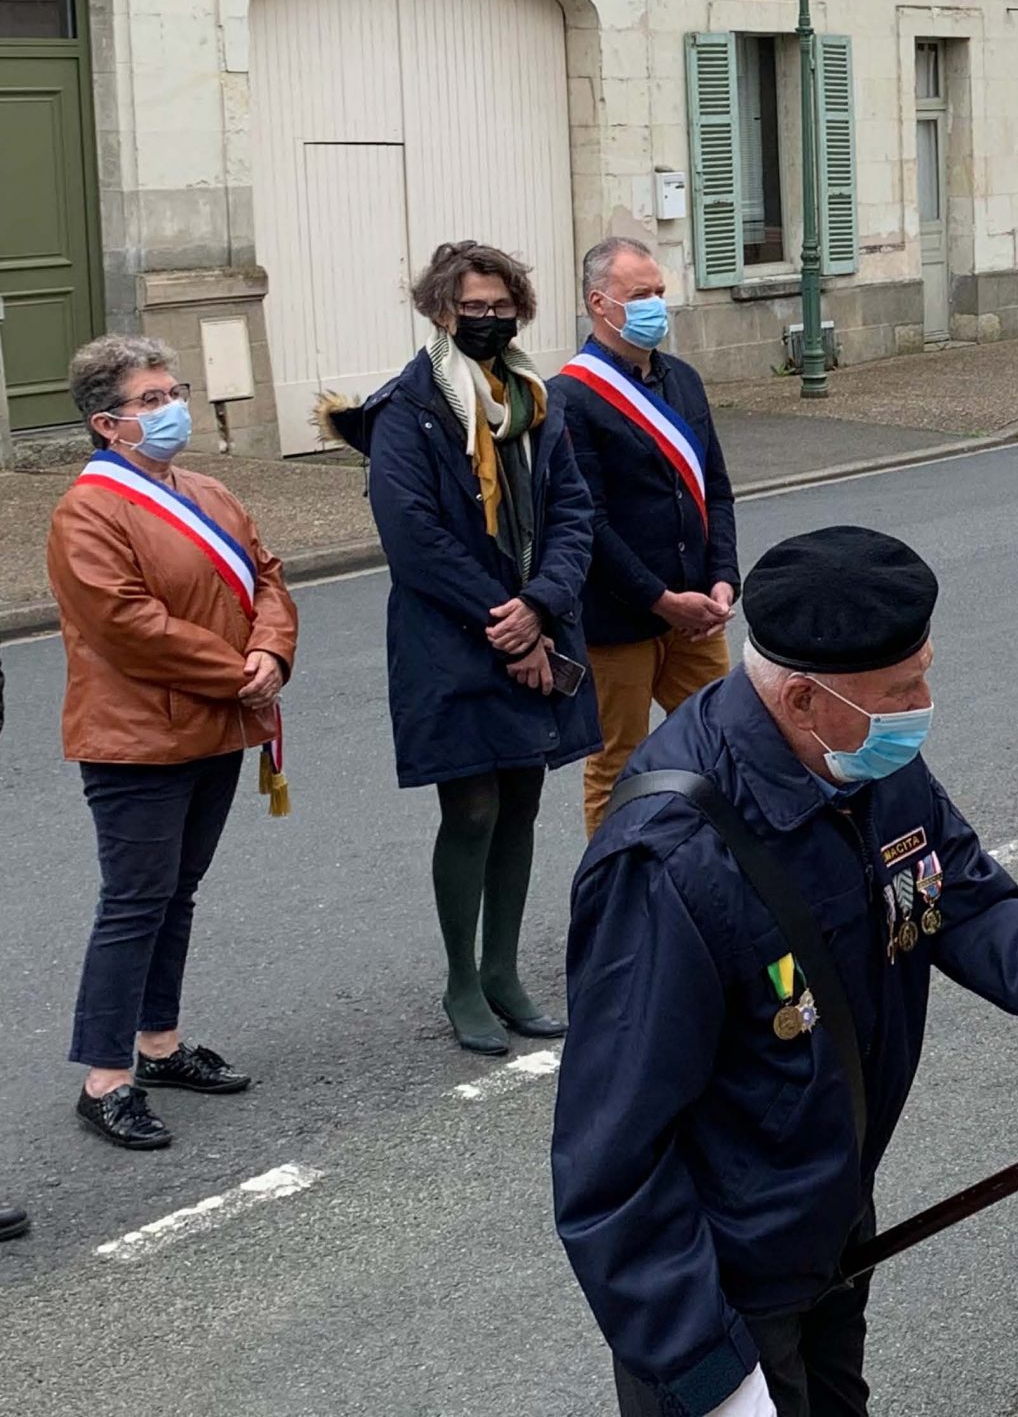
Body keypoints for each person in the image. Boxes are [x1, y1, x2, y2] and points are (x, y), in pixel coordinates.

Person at [554, 526, 1018, 1417]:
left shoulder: (867, 765)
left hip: (829, 1232)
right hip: (719, 1290)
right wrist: (710, 1376)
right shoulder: (669, 862)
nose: (923, 705)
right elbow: (612, 1166)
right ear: (806, 700)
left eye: (923, 672)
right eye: (900, 691)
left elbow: (969, 908)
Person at [326, 241, 601, 1055]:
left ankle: (505, 972)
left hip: (535, 626)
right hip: (453, 637)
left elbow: (576, 514)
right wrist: (507, 619)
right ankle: (460, 981)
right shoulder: (404, 410)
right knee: (472, 807)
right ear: (440, 311)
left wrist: (542, 606)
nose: (486, 319)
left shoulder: (535, 400)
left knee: (522, 800)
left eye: (499, 305)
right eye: (469, 307)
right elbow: (414, 539)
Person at [50, 334, 297, 1149]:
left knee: (176, 891)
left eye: (173, 391)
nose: (171, 409)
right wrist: (239, 669)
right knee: (133, 901)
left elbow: (266, 576)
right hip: (135, 739)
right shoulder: (88, 510)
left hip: (214, 725)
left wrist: (270, 651)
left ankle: (157, 1044)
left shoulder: (208, 490)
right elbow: (126, 625)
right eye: (151, 401)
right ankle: (104, 1077)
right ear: (106, 423)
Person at [554, 237, 740, 837]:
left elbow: (716, 487)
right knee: (617, 763)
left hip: (697, 614)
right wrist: (660, 600)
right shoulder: (570, 397)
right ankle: (615, 894)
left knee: (726, 744)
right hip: (618, 621)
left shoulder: (683, 380)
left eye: (659, 293)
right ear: (600, 304)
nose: (656, 305)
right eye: (641, 296)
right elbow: (589, 523)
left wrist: (723, 578)